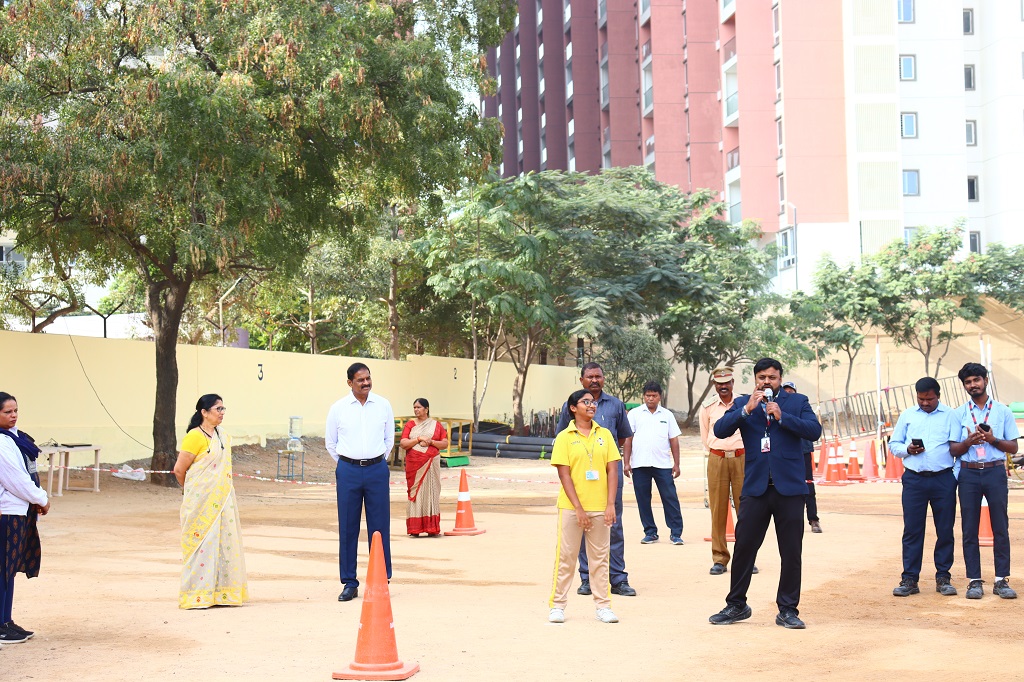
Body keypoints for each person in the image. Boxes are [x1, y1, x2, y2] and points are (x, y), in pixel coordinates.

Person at [708, 358, 822, 630]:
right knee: (744, 548)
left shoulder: (797, 402)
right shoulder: (743, 403)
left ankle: (787, 609)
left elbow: (814, 431)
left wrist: (783, 417)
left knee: (791, 552)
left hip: (790, 489)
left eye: (772, 377)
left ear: (780, 378)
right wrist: (746, 410)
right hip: (756, 488)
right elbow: (720, 430)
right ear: (755, 379)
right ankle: (737, 604)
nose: (766, 382)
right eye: (762, 377)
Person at [556, 362, 635, 597]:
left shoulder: (616, 405)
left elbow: (623, 437)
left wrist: (603, 456)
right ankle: (587, 578)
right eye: (589, 376)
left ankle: (618, 578)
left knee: (613, 524)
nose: (594, 380)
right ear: (581, 380)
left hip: (609, 474)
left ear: (603, 379)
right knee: (583, 523)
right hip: (580, 478)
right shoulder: (570, 405)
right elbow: (563, 437)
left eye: (598, 376)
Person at [888, 377, 966, 598]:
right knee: (912, 530)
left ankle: (943, 577)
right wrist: (908, 449)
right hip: (914, 480)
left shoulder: (951, 415)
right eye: (921, 399)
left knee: (945, 529)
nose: (925, 403)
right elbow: (894, 444)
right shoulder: (908, 415)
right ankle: (910, 579)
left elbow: (957, 448)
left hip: (943, 480)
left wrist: (954, 477)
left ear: (938, 396)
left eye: (929, 399)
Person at [548, 389, 620, 624]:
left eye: (593, 402)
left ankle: (603, 607)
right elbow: (564, 475)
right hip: (571, 508)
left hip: (600, 506)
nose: (591, 405)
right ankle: (558, 606)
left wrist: (610, 504)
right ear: (573, 408)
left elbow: (612, 470)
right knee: (566, 557)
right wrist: (578, 508)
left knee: (600, 558)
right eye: (585, 402)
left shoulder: (605, 434)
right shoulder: (564, 437)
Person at [326, 362, 395, 602]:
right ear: (350, 383)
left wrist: (376, 461)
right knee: (348, 527)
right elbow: (331, 443)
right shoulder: (338, 408)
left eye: (368, 378)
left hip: (377, 470)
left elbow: (389, 439)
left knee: (379, 526)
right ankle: (349, 582)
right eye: (360, 380)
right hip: (348, 471)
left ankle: (381, 580)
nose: (366, 383)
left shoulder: (383, 405)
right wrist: (348, 463)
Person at [173, 394, 248, 609]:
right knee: (201, 546)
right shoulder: (194, 437)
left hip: (223, 500)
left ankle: (222, 594)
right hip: (199, 502)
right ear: (204, 412)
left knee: (223, 544)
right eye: (218, 409)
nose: (222, 413)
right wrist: (194, 491)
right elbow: (179, 470)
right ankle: (196, 595)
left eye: (223, 409)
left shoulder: (223, 436)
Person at [953, 363, 1018, 600]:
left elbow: (1013, 447)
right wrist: (968, 442)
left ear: (986, 380)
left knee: (1000, 526)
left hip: (994, 472)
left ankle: (1001, 580)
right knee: (969, 528)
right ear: (964, 386)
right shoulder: (958, 413)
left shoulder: (1002, 411)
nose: (973, 385)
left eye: (976, 380)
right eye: (968, 382)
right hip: (968, 474)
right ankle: (974, 581)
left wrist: (992, 440)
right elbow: (953, 449)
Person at [0, 392, 49, 643]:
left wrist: (35, 499)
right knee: (2, 569)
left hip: (20, 510)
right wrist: (41, 498)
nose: (13, 415)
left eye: (15, 410)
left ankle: (6, 620)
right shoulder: (1, 442)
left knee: (9, 569)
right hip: (6, 512)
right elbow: (15, 479)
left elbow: (28, 472)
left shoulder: (17, 438)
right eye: (7, 412)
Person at [699, 366, 758, 576]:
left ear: (733, 383)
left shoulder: (744, 403)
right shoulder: (708, 407)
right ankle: (719, 559)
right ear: (714, 385)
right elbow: (705, 436)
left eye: (727, 383)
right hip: (717, 459)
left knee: (747, 511)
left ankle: (747, 559)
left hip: (742, 458)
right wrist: (719, 452)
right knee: (717, 510)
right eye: (719, 383)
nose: (723, 387)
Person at [623, 381, 683, 545]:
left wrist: (677, 464)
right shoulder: (634, 414)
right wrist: (626, 462)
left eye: (654, 395)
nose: (650, 398)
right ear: (643, 396)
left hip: (663, 464)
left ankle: (676, 533)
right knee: (643, 499)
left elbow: (674, 440)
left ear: (659, 397)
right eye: (648, 395)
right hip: (639, 464)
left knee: (670, 498)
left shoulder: (667, 415)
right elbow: (628, 439)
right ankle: (650, 532)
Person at [399, 398, 449, 537]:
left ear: (426, 409)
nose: (416, 410)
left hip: (431, 463)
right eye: (414, 407)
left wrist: (431, 442)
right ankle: (415, 529)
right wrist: (418, 439)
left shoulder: (436, 425)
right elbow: (403, 443)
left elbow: (444, 443)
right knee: (416, 494)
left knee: (431, 492)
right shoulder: (410, 424)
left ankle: (431, 528)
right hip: (414, 465)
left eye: (419, 407)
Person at [782, 381, 822, 533]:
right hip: (786, 454)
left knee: (808, 486)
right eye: (786, 392)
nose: (789, 394)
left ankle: (813, 519)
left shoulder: (802, 407)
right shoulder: (778, 409)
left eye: (791, 391)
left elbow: (812, 428)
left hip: (803, 452)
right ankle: (788, 520)